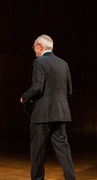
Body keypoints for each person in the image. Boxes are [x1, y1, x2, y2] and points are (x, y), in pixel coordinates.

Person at [20, 35, 76, 180]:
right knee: (63, 149)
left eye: (34, 48)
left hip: (42, 113)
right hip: (61, 111)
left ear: (40, 47)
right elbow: (69, 91)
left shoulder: (39, 61)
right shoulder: (63, 63)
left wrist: (24, 97)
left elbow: (37, 87)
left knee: (38, 150)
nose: (34, 51)